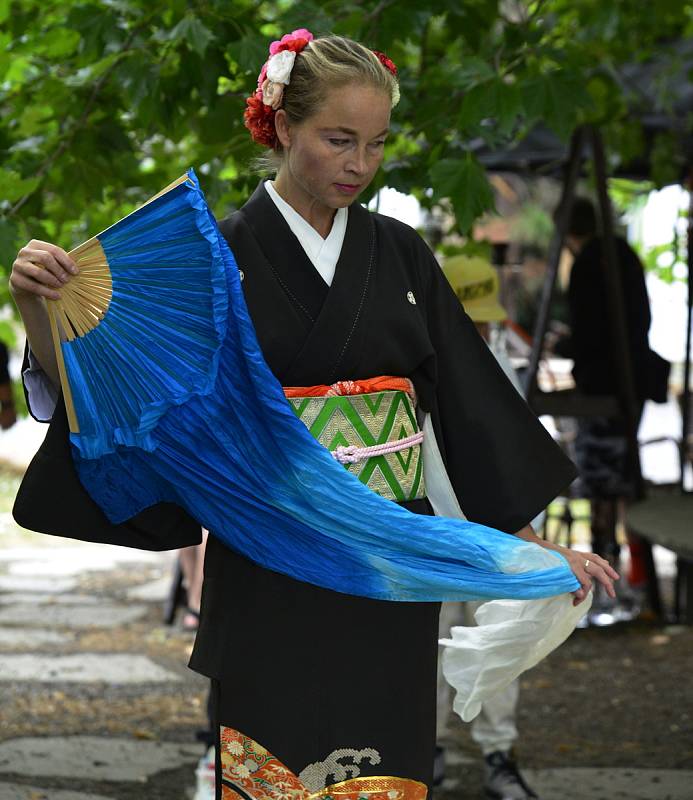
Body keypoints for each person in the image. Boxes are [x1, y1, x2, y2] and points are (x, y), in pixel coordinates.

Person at [9, 31, 617, 797]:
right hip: (269, 561)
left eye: (375, 143)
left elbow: (470, 408)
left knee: (383, 773)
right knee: (275, 774)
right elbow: (129, 406)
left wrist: (531, 547)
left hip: (386, 562)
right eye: (338, 139)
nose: (358, 164)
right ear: (281, 124)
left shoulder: (400, 254)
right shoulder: (210, 260)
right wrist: (39, 313)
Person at [436, 255, 541, 799]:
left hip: (497, 531)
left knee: (502, 637)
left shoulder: (501, 363)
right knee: (430, 641)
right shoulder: (423, 359)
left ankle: (499, 751)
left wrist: (530, 535)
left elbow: (520, 456)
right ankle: (424, 749)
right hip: (436, 527)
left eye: (481, 317)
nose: (478, 328)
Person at [555, 197, 651, 614]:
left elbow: (592, 331)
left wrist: (565, 343)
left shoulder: (589, 263)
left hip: (601, 389)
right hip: (631, 381)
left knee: (601, 488)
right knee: (623, 485)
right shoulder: (623, 254)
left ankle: (605, 583)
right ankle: (632, 583)